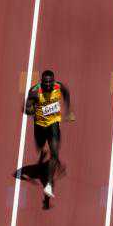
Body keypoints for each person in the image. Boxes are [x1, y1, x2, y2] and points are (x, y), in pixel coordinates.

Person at [25, 70, 74, 200]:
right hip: (40, 126)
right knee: (42, 148)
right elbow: (26, 108)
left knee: (54, 153)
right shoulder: (34, 91)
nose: (48, 85)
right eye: (45, 82)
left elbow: (66, 93)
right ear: (41, 81)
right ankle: (42, 159)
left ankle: (48, 185)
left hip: (53, 125)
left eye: (50, 82)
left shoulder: (59, 86)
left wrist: (68, 110)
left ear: (53, 81)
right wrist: (32, 109)